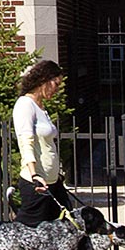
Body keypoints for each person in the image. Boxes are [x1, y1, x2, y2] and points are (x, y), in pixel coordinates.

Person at [11, 59, 75, 225]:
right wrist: (34, 175)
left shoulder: (40, 107)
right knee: (28, 235)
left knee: (68, 230)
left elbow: (47, 146)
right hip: (38, 186)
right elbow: (26, 142)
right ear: (43, 80)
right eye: (56, 83)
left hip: (53, 183)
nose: (57, 89)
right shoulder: (25, 105)